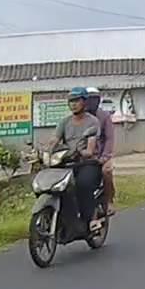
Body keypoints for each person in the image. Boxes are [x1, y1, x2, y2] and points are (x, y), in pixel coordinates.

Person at [49, 87, 102, 233]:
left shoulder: (92, 122)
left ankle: (91, 220)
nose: (73, 104)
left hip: (86, 163)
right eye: (71, 101)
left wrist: (84, 152)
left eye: (77, 101)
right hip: (66, 162)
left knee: (83, 185)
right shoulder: (64, 122)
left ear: (84, 102)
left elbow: (90, 148)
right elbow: (54, 140)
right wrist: (46, 151)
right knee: (54, 185)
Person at [84, 87, 116, 211]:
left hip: (101, 154)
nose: (92, 102)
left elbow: (109, 138)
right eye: (89, 99)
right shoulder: (79, 116)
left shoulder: (104, 116)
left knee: (106, 171)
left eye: (95, 99)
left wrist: (105, 156)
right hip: (83, 155)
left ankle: (109, 200)